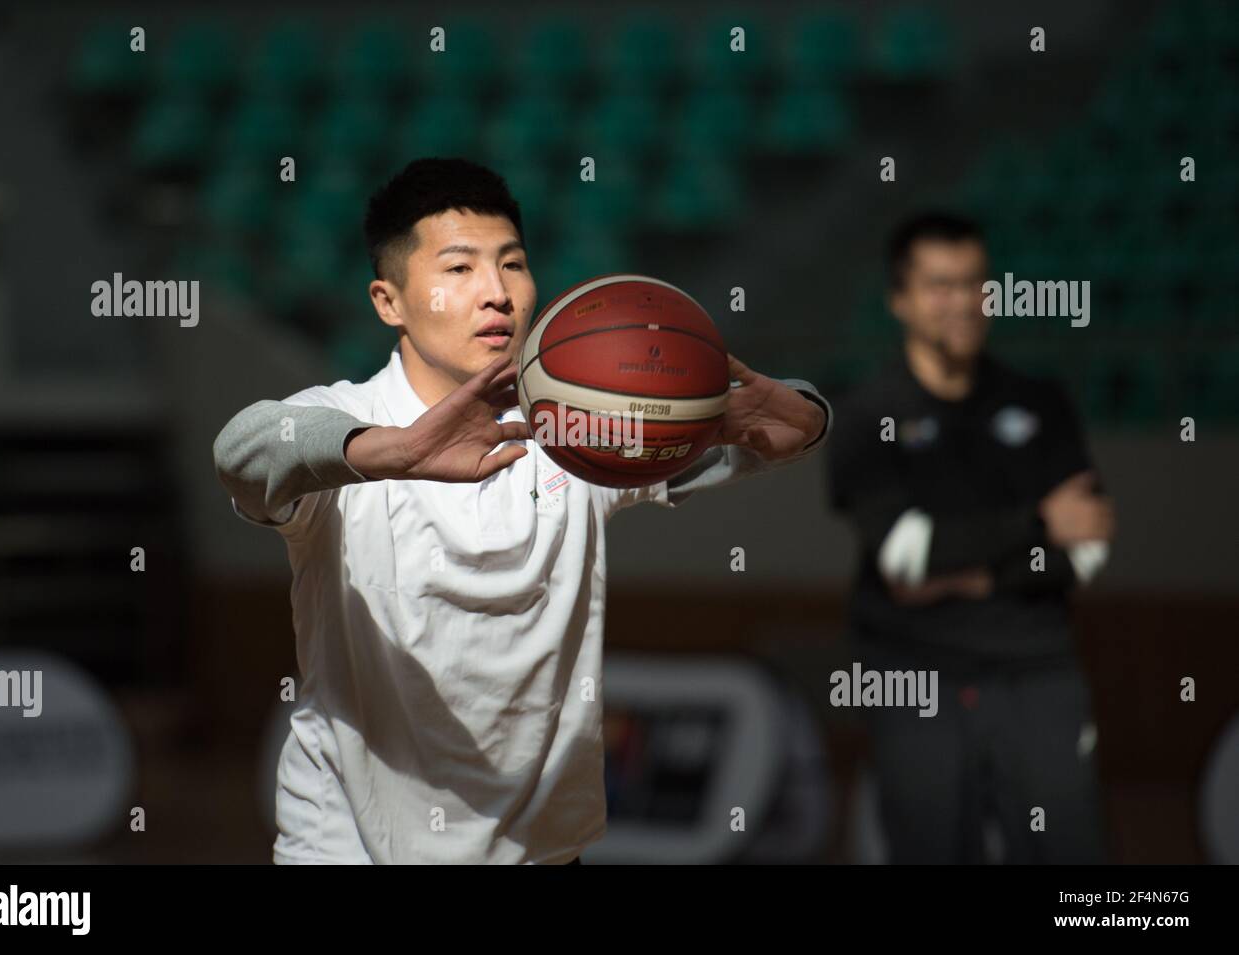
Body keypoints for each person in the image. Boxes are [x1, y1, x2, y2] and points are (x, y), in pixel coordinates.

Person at [212, 157, 831, 864]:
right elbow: (243, 449)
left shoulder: (574, 433)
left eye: (512, 264)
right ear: (389, 301)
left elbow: (774, 433)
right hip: (349, 845)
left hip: (540, 849)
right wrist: (397, 450)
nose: (497, 293)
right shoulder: (350, 421)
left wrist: (792, 418)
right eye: (459, 269)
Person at [827, 212, 1115, 864]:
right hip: (910, 674)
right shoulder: (866, 414)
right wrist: (1038, 525)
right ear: (899, 299)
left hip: (1038, 670)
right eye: (939, 285)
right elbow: (906, 557)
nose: (960, 302)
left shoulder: (1041, 401)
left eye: (974, 283)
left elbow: (1090, 547)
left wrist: (969, 572)